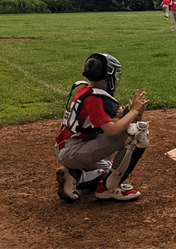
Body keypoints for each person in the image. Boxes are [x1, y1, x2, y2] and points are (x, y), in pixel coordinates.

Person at [54, 53, 150, 202]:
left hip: (69, 148)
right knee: (137, 133)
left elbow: (103, 125)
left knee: (107, 170)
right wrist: (134, 112)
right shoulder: (94, 100)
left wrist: (129, 115)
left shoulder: (85, 91)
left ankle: (72, 174)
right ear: (108, 76)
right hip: (75, 150)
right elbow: (113, 131)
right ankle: (109, 188)